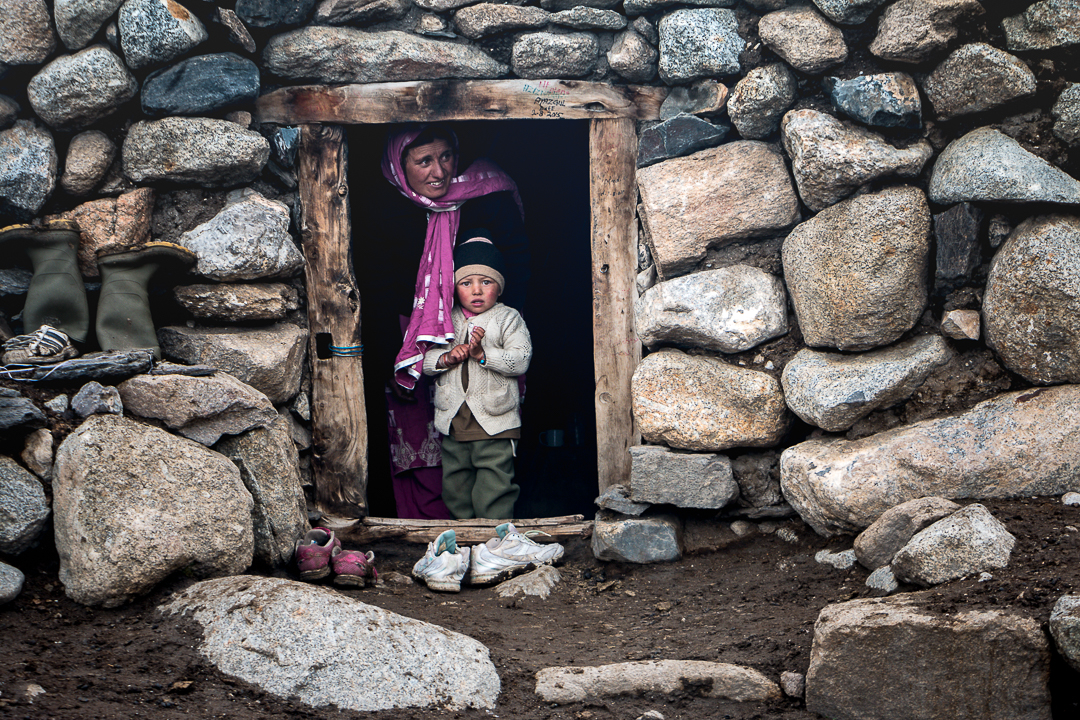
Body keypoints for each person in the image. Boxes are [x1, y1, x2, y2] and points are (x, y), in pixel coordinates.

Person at [361, 124, 529, 519]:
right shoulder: (383, 207)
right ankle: (432, 527)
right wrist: (391, 358)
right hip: (409, 337)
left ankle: (490, 524)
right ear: (400, 166)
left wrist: (502, 328)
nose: (440, 172)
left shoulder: (488, 196)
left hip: (484, 329)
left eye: (446, 157)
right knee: (420, 430)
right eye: (424, 161)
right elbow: (374, 285)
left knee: (490, 429)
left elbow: (517, 270)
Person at [423, 233, 531, 519]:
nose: (477, 291)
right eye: (466, 283)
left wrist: (483, 356)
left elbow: (520, 360)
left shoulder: (508, 318)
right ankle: (466, 539)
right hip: (455, 421)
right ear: (454, 288)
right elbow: (425, 362)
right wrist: (448, 357)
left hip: (495, 422)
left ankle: (494, 542)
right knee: (455, 486)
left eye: (486, 282)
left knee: (494, 487)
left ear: (500, 286)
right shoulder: (446, 319)